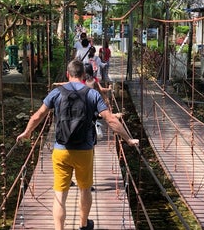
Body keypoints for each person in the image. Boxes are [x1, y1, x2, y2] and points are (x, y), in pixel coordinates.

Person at [16, 60, 139, 230]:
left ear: (68, 74)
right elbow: (110, 119)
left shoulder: (56, 93)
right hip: (84, 151)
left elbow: (38, 116)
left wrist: (27, 132)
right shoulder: (92, 94)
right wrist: (128, 139)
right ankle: (83, 224)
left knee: (60, 194)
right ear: (83, 75)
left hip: (60, 150)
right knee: (85, 189)